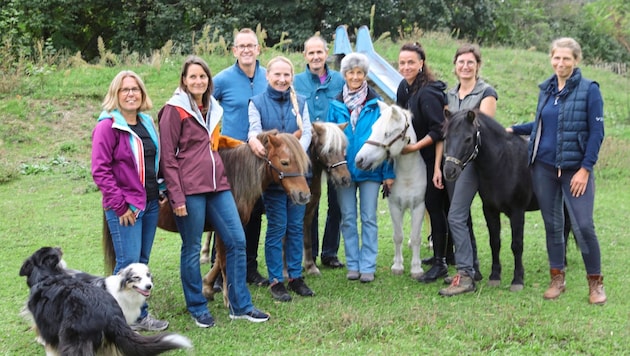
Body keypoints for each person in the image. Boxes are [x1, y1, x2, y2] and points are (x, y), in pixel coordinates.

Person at [159, 55, 270, 327]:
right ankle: (197, 306)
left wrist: (243, 145)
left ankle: (240, 305)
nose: (198, 81)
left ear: (209, 80)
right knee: (192, 247)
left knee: (237, 241)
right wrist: (176, 195)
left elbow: (215, 141)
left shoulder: (212, 107)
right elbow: (168, 159)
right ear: (184, 81)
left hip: (218, 183)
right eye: (193, 76)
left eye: (202, 76)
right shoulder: (174, 110)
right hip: (190, 188)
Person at [508, 37, 606, 304]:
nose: (560, 63)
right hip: (544, 169)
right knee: (553, 225)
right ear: (551, 59)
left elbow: (597, 132)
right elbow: (541, 123)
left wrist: (585, 169)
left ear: (576, 60)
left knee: (584, 225)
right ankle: (557, 279)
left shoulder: (589, 90)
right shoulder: (547, 90)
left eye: (566, 58)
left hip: (576, 171)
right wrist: (514, 129)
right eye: (556, 58)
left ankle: (595, 283)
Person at [91, 70, 169, 332]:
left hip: (149, 203)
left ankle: (137, 317)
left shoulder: (146, 122)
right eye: (125, 90)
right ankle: (118, 321)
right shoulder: (107, 126)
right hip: (126, 207)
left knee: (142, 262)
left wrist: (161, 188)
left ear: (142, 93)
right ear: (116, 94)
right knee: (127, 263)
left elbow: (153, 161)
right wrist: (120, 205)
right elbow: (100, 170)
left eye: (135, 89)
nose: (131, 94)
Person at [247, 56, 315, 301]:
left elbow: (306, 131)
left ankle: (295, 276)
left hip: (298, 174)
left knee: (296, 227)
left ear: (292, 77)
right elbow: (254, 130)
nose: (282, 79)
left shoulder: (302, 102)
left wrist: (293, 147)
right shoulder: (256, 102)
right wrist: (257, 141)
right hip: (274, 178)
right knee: (277, 227)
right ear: (268, 76)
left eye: (286, 75)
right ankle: (276, 279)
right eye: (277, 74)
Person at [327, 52, 395, 283]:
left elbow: (386, 141)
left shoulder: (378, 106)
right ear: (344, 75)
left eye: (359, 73)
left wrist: (388, 174)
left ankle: (368, 265)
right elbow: (330, 141)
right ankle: (353, 264)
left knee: (368, 217)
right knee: (347, 217)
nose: (355, 77)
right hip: (344, 171)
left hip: (371, 171)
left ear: (365, 75)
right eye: (350, 72)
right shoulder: (335, 105)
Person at [437, 44, 499, 296]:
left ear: (477, 66)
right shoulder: (449, 95)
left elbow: (483, 129)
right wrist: (438, 167)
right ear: (455, 66)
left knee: (455, 216)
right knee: (461, 216)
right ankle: (471, 267)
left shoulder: (487, 92)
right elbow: (446, 133)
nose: (465, 66)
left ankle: (465, 277)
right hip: (453, 162)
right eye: (461, 62)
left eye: (470, 62)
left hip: (475, 163)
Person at [213, 28, 269, 287]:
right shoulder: (222, 80)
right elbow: (204, 108)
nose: (247, 50)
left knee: (254, 212)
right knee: (224, 211)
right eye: (241, 46)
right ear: (234, 51)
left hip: (258, 157)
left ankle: (249, 267)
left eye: (251, 45)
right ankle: (217, 270)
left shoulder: (269, 77)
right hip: (230, 158)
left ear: (259, 49)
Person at [395, 43, 450, 285]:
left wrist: (417, 150)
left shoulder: (427, 93)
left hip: (431, 157)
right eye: (402, 62)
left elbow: (440, 130)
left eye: (411, 62)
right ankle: (444, 253)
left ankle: (441, 263)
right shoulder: (403, 88)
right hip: (414, 159)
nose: (406, 66)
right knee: (433, 207)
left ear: (421, 64)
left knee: (435, 207)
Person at [294, 35, 346, 269]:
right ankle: (310, 253)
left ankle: (330, 252)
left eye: (320, 52)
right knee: (310, 199)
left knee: (336, 202)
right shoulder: (296, 81)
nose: (316, 57)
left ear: (326, 54)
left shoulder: (339, 80)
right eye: (311, 53)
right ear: (305, 56)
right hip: (307, 149)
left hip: (333, 149)